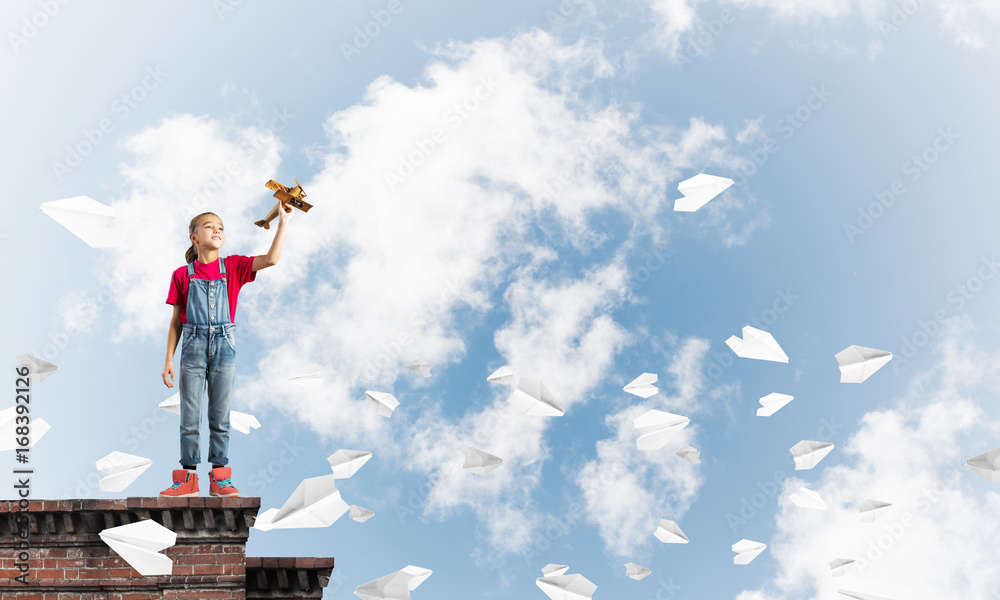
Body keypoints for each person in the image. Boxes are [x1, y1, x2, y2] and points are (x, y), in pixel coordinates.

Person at [159, 200, 292, 497]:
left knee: (220, 415)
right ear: (194, 237)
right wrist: (168, 358)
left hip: (224, 346)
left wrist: (283, 222)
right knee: (189, 415)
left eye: (220, 228)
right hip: (192, 347)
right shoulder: (182, 274)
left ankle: (220, 478)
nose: (217, 231)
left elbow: (271, 259)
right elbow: (175, 321)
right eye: (209, 226)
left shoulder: (233, 266)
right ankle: (187, 479)